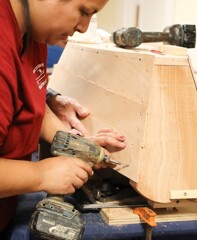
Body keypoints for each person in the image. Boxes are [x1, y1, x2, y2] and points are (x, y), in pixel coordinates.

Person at [0, 0, 127, 236]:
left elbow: (29, 99)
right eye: (84, 11)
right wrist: (42, 175)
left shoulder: (32, 31)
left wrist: (75, 144)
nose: (84, 27)